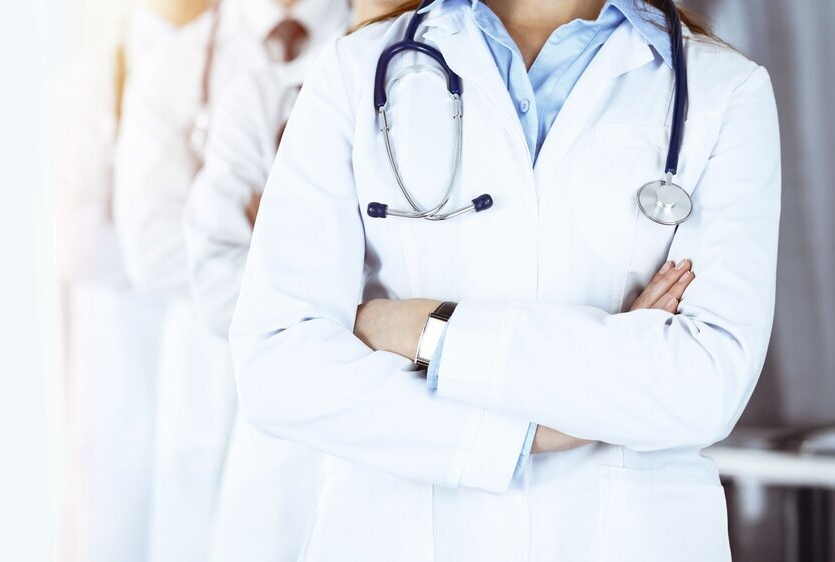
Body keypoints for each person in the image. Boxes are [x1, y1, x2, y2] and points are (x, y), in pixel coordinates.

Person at [228, 0, 781, 560]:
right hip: (399, 532)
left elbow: (704, 384)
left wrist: (426, 332)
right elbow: (277, 363)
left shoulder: (723, 89)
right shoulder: (356, 70)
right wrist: (521, 438)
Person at [113, 0, 348, 560]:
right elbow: (154, 253)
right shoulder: (175, 67)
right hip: (204, 385)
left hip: (330, 417)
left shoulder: (372, 46)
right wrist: (332, 278)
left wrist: (260, 230)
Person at [182, 0, 356, 560]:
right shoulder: (264, 94)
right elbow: (216, 289)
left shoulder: (465, 92)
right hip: (282, 467)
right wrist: (394, 323)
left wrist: (298, 279)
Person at [53, 36, 164, 562]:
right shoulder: (104, 70)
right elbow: (80, 244)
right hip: (120, 363)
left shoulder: (233, 58)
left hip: (199, 370)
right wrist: (183, 252)